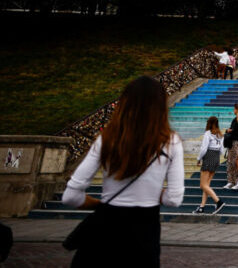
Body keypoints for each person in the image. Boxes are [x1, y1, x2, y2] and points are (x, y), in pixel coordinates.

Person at [61, 76, 184, 266]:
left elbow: (70, 196)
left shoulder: (107, 138)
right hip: (144, 234)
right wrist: (153, 191)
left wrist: (99, 204)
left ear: (124, 103)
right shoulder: (171, 142)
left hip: (104, 231)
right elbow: (174, 199)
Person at [193, 116, 225, 214]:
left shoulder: (208, 133)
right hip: (216, 158)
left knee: (202, 185)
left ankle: (218, 201)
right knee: (206, 185)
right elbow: (221, 150)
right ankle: (202, 207)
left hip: (208, 156)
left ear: (209, 123)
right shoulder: (220, 134)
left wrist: (199, 159)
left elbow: (203, 149)